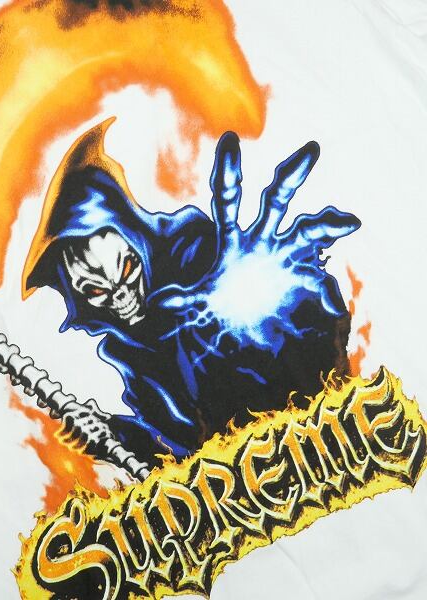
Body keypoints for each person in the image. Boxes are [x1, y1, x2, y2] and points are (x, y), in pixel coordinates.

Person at [22, 119, 360, 466]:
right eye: (96, 289)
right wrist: (116, 436)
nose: (121, 297)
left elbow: (313, 333)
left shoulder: (197, 252)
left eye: (126, 269)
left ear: (138, 242)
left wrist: (269, 298)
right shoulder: (129, 351)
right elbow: (183, 450)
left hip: (326, 432)